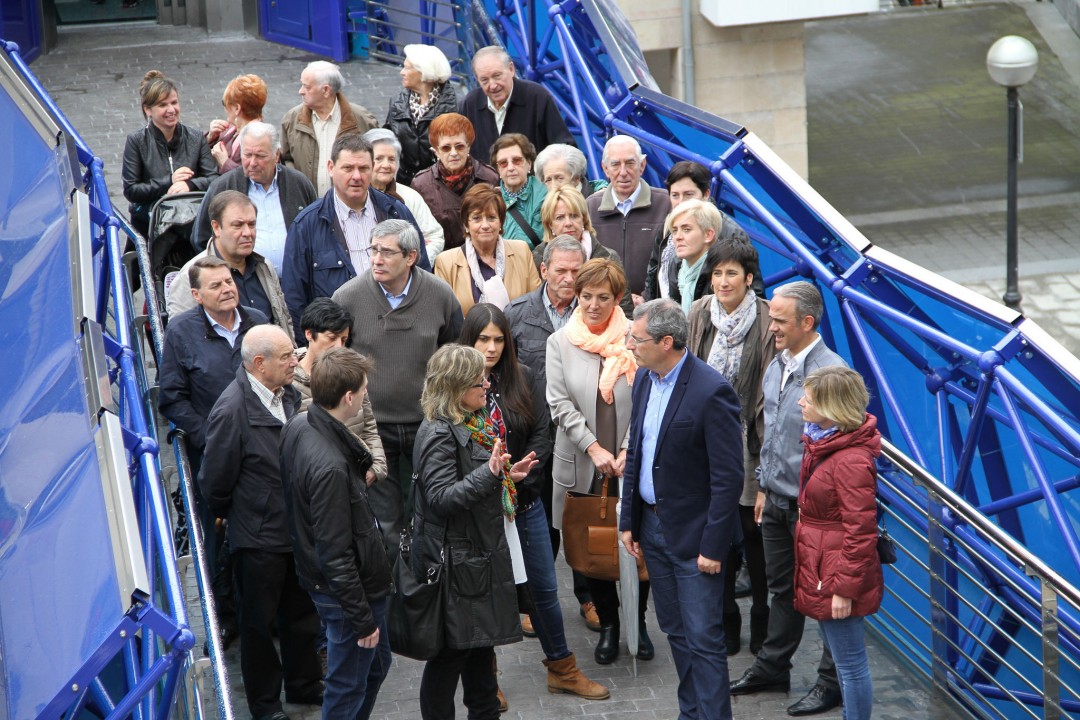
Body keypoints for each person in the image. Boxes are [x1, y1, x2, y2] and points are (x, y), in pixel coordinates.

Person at [459, 304, 609, 706]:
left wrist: (521, 475)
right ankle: (485, 682)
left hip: (524, 504)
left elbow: (543, 431)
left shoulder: (522, 376)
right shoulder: (454, 382)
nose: (491, 348)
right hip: (479, 511)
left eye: (498, 339)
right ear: (469, 340)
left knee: (544, 589)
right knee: (486, 595)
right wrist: (492, 479)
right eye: (482, 339)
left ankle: (562, 669)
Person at [619, 298, 744, 720]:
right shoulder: (643, 378)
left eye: (636, 339)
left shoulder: (711, 390)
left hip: (696, 540)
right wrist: (629, 520)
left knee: (703, 638)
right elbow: (637, 452)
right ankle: (691, 713)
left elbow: (728, 478)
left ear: (666, 341)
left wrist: (713, 546)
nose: (629, 346)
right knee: (674, 629)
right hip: (653, 530)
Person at [730, 280, 845, 717]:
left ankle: (831, 683)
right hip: (777, 501)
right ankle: (773, 668)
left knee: (826, 595)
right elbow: (772, 432)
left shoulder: (831, 374)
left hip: (813, 511)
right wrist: (763, 485)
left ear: (807, 322)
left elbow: (843, 450)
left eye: (779, 320)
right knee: (783, 588)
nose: (771, 327)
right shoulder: (777, 363)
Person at [200, 324, 323, 720]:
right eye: (287, 357)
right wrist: (244, 512)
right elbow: (214, 481)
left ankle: (304, 684)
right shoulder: (231, 410)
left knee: (300, 613)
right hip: (257, 537)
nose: (295, 362)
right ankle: (266, 705)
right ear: (259, 363)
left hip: (294, 530)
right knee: (257, 623)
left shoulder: (286, 394)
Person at [411, 344, 537, 720]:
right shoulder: (438, 432)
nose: (486, 385)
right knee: (451, 658)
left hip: (476, 562)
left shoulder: (472, 422)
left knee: (481, 658)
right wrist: (489, 474)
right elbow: (440, 498)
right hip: (459, 568)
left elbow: (472, 481)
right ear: (455, 387)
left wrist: (506, 476)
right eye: (478, 381)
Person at [331, 219, 463, 554]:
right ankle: (394, 582)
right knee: (386, 524)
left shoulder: (441, 296)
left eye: (387, 252)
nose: (376, 259)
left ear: (411, 257)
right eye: (373, 250)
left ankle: (429, 578)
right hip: (373, 428)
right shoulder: (347, 298)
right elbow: (335, 361)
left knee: (431, 511)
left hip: (427, 424)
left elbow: (453, 354)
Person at [545, 258, 653, 665]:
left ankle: (639, 623)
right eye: (586, 296)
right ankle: (609, 625)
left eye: (603, 298)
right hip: (583, 461)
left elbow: (646, 399)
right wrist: (593, 447)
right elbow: (559, 404)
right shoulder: (560, 342)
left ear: (618, 298)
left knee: (638, 542)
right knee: (592, 548)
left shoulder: (635, 339)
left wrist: (627, 450)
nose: (593, 305)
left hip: (629, 460)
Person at [280, 346, 395, 720]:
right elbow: (335, 551)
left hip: (338, 586)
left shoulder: (300, 424)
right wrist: (361, 618)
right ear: (348, 397)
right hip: (348, 594)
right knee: (347, 685)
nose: (366, 394)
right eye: (363, 389)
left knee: (375, 666)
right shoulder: (329, 465)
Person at [504, 237, 603, 633]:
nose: (568, 278)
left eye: (576, 270)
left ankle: (589, 596)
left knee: (581, 519)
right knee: (538, 522)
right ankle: (530, 602)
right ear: (543, 270)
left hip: (582, 438)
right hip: (534, 438)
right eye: (560, 270)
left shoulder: (596, 313)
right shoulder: (517, 314)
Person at [686, 239, 775, 656]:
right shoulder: (700, 312)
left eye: (732, 274)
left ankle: (762, 614)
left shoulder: (766, 317)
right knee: (715, 525)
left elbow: (769, 393)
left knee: (752, 531)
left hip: (750, 437)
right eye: (717, 273)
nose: (723, 281)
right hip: (708, 438)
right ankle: (725, 617)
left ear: (749, 278)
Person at [282, 133, 429, 343]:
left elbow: (422, 273)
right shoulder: (306, 225)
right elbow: (295, 298)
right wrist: (313, 349)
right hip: (338, 347)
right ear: (331, 168)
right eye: (348, 168)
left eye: (363, 168)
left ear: (372, 168)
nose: (357, 176)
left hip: (398, 338)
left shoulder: (396, 212)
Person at [795, 366, 882, 720]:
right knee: (844, 659)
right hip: (823, 566)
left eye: (808, 399)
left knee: (850, 664)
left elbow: (860, 531)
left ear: (832, 408)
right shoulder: (822, 442)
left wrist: (844, 590)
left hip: (834, 573)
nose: (800, 403)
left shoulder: (849, 460)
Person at [191, 121, 317, 267]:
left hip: (296, 278)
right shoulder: (223, 187)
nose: (252, 163)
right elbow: (200, 238)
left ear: (276, 155)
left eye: (260, 156)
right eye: (247, 155)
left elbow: (317, 232)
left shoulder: (299, 184)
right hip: (242, 279)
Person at [167, 190, 292, 336]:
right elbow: (180, 337)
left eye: (251, 224)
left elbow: (285, 321)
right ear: (216, 227)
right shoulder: (190, 275)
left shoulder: (264, 266)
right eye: (238, 225)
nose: (247, 233)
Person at [292, 298, 387, 487]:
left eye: (343, 340)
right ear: (309, 334)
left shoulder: (351, 372)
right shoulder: (289, 382)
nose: (338, 346)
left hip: (357, 478)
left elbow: (369, 425)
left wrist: (376, 468)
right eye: (331, 338)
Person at [122, 70, 218, 239]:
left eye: (174, 102)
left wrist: (190, 185)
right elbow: (131, 190)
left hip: (192, 222)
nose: (171, 110)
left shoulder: (195, 137)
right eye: (163, 105)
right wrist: (169, 181)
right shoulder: (136, 141)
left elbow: (214, 178)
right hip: (151, 226)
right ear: (148, 110)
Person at [586, 136, 670, 301]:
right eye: (615, 164)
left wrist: (646, 298)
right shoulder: (590, 207)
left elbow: (672, 263)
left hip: (652, 307)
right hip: (605, 306)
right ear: (605, 169)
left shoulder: (666, 204)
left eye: (630, 163)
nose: (623, 172)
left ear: (642, 166)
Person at [434, 184, 540, 314]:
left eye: (491, 218)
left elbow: (536, 305)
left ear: (501, 222)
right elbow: (444, 314)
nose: (485, 225)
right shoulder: (445, 262)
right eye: (477, 218)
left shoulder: (521, 251)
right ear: (466, 225)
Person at [459, 46, 574, 163]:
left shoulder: (537, 97)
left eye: (497, 76)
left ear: (511, 69)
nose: (492, 85)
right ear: (477, 80)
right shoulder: (470, 104)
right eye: (484, 80)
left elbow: (565, 149)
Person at [280, 60, 379, 195]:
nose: (301, 91)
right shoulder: (291, 120)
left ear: (326, 90)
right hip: (307, 204)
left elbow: (376, 162)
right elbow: (286, 161)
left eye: (307, 87)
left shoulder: (363, 121)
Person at [533, 186, 632, 316]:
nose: (568, 223)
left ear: (584, 219)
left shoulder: (608, 257)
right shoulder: (538, 256)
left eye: (574, 216)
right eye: (560, 217)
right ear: (550, 224)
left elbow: (624, 309)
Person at [411, 112, 500, 252]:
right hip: (441, 259)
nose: (453, 153)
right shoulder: (421, 184)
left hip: (484, 254)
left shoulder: (489, 177)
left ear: (468, 147)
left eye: (459, 146)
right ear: (436, 151)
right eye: (446, 148)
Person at [362, 127, 445, 265]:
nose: (386, 165)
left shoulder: (409, 196)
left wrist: (413, 262)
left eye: (391, 159)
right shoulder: (355, 198)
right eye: (379, 159)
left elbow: (435, 237)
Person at [383, 44, 458, 185]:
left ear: (424, 72)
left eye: (407, 68)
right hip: (405, 184)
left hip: (442, 185)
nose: (402, 72)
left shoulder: (455, 106)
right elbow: (387, 140)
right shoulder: (397, 102)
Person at [643, 161, 711, 301]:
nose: (681, 202)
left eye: (688, 194)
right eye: (675, 195)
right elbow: (653, 273)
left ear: (706, 194)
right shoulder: (667, 226)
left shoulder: (726, 230)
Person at [490, 133, 547, 247]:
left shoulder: (547, 194)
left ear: (529, 164)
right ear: (498, 170)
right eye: (503, 163)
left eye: (517, 160)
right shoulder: (490, 202)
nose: (510, 168)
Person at [205, 73, 267, 173]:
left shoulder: (260, 139)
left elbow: (255, 176)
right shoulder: (230, 129)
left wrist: (225, 163)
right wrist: (210, 138)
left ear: (237, 108)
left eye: (225, 103)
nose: (225, 108)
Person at [534, 143, 607, 197]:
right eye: (548, 180)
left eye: (559, 178)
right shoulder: (541, 206)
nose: (553, 187)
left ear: (577, 178)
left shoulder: (596, 203)